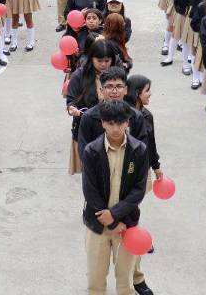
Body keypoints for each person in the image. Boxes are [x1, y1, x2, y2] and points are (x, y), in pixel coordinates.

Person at [81, 98, 149, 295]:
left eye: (120, 122)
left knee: (125, 280)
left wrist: (116, 215)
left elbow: (138, 189)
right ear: (102, 122)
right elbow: (89, 190)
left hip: (126, 225)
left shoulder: (139, 150)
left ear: (128, 122)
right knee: (95, 279)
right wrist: (109, 221)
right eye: (110, 123)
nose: (116, 128)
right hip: (97, 223)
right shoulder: (92, 150)